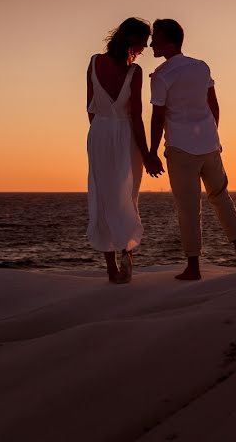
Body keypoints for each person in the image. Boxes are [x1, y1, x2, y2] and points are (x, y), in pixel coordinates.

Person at [147, 18, 236, 280]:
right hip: (210, 145)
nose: (150, 44)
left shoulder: (161, 75)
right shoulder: (201, 67)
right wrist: (212, 134)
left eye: (155, 39)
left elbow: (157, 117)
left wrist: (151, 152)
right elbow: (213, 105)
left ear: (169, 40)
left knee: (188, 207)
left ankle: (193, 267)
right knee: (221, 197)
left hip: (181, 148)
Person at [86, 17, 159, 284]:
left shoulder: (94, 62)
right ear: (131, 40)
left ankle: (112, 268)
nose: (145, 47)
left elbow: (90, 109)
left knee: (103, 195)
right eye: (143, 42)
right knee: (127, 194)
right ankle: (127, 252)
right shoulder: (135, 72)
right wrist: (149, 154)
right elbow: (137, 116)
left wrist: (101, 133)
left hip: (99, 134)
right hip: (126, 134)